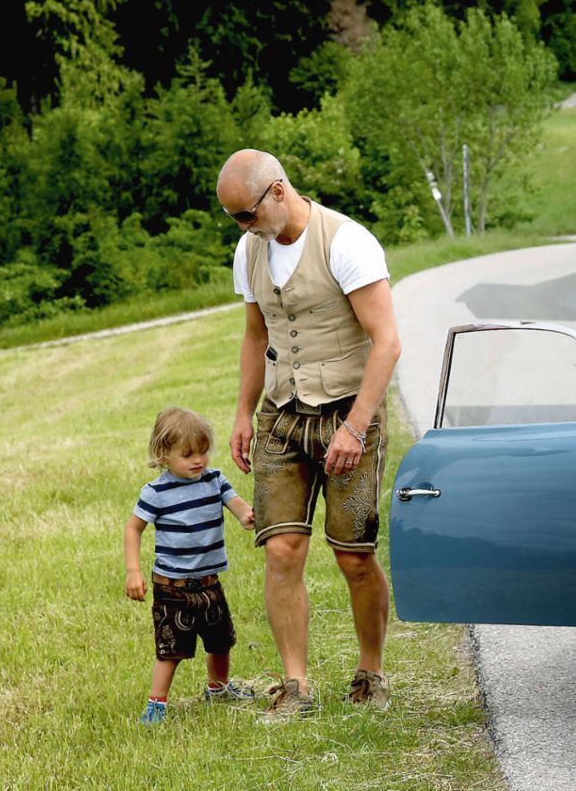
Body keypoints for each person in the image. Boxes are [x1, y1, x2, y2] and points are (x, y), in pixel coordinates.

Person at [218, 149, 402, 718]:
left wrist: (355, 427)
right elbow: (256, 335)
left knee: (353, 555)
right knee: (281, 548)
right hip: (282, 413)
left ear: (277, 191)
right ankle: (295, 686)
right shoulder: (249, 251)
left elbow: (387, 341)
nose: (244, 229)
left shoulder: (346, 242)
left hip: (349, 411)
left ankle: (371, 671)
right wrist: (244, 413)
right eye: (234, 221)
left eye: (246, 215)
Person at [123, 407, 257, 725]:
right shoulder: (156, 493)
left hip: (210, 583)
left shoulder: (214, 480)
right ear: (163, 454)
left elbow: (235, 502)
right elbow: (133, 528)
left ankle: (218, 686)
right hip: (173, 587)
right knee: (171, 648)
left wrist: (245, 514)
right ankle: (157, 703)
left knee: (221, 640)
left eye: (202, 452)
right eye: (187, 454)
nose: (198, 460)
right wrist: (133, 571)